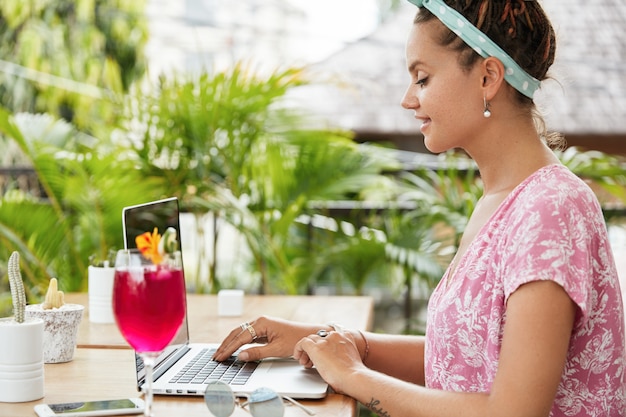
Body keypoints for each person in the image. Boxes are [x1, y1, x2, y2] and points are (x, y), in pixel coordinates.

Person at [214, 0, 626, 415]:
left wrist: (353, 377)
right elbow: (465, 359)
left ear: (488, 77)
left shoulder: (551, 209)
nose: (408, 100)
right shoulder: (505, 199)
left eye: (422, 78)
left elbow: (513, 411)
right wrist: (340, 340)